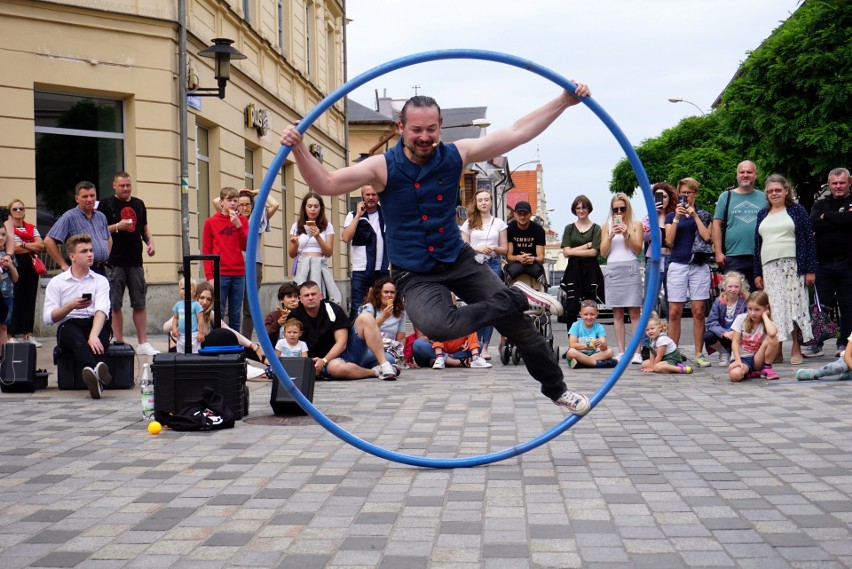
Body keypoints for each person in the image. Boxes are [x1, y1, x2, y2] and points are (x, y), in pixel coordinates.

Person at [280, 85, 592, 414]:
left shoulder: (457, 154)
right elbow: (326, 183)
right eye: (416, 130)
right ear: (401, 128)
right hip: (414, 273)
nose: (424, 137)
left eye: (431, 129)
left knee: (518, 326)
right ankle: (516, 296)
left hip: (457, 259)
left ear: (440, 126)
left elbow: (515, 133)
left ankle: (557, 390)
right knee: (438, 326)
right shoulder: (382, 167)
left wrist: (563, 101)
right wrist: (299, 149)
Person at [754, 174, 817, 366]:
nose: (774, 193)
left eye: (778, 190)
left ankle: (796, 347)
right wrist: (757, 272)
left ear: (786, 191)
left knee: (794, 306)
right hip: (769, 266)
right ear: (766, 194)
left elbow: (808, 240)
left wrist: (810, 270)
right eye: (770, 191)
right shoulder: (762, 214)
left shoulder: (797, 211)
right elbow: (757, 244)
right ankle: (777, 347)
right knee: (774, 307)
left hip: (793, 265)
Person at [43, 234, 113, 399]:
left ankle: (94, 378)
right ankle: (100, 375)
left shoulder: (101, 280)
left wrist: (94, 335)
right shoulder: (57, 282)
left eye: (91, 250)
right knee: (78, 340)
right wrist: (70, 306)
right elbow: (48, 318)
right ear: (72, 256)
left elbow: (102, 310)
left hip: (95, 322)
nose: (90, 254)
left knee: (97, 343)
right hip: (70, 324)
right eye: (84, 251)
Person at [96, 172, 158, 356]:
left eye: (128, 185)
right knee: (115, 304)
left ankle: (143, 342)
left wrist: (151, 243)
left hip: (135, 261)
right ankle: (119, 342)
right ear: (114, 185)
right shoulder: (106, 204)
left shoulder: (138, 204)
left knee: (139, 303)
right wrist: (117, 227)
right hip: (113, 262)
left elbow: (144, 228)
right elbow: (98, 229)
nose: (125, 189)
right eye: (122, 185)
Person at [288, 281, 398, 381]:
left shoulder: (333, 309)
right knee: (336, 368)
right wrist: (310, 362)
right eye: (306, 295)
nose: (310, 298)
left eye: (314, 294)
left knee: (366, 317)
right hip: (325, 364)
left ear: (321, 296)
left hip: (345, 353)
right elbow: (291, 344)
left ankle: (385, 366)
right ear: (300, 299)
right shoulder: (294, 316)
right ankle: (375, 372)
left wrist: (324, 361)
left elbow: (342, 343)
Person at [214, 187, 280, 339]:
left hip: (253, 264)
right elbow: (216, 201)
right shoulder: (232, 217)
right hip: (233, 265)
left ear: (252, 205)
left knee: (249, 307)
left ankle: (244, 339)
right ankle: (227, 337)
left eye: (247, 204)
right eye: (241, 204)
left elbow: (275, 205)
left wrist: (256, 191)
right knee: (230, 307)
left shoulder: (259, 217)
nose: (244, 207)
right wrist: (235, 193)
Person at [665, 177, 713, 367]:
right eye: (683, 193)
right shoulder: (670, 216)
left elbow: (707, 236)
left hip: (698, 265)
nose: (686, 197)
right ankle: (673, 353)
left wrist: (694, 216)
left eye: (689, 193)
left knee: (699, 311)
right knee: (674, 311)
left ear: (696, 194)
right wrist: (677, 217)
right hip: (678, 264)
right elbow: (669, 241)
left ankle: (699, 353)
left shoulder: (704, 214)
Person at [807, 167, 852, 358]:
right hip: (823, 263)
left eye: (842, 182)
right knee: (820, 306)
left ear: (849, 182)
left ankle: (844, 344)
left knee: (848, 305)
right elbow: (813, 222)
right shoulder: (821, 203)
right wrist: (841, 220)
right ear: (829, 184)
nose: (838, 186)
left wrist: (828, 217)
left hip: (848, 263)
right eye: (834, 183)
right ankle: (817, 343)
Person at [461, 188, 508, 358]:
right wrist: (477, 248)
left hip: (493, 263)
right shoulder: (469, 223)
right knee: (474, 305)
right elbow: (462, 247)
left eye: (486, 200)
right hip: (473, 265)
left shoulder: (499, 223)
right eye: (480, 200)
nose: (483, 203)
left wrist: (493, 248)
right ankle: (475, 344)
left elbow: (505, 249)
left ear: (491, 202)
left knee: (490, 306)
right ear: (476, 202)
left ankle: (486, 346)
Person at [600, 192, 644, 364]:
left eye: (622, 209)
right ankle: (621, 351)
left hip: (630, 268)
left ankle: (637, 351)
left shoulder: (635, 224)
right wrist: (611, 236)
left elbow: (638, 249)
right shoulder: (606, 226)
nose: (619, 213)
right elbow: (603, 253)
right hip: (613, 269)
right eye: (615, 209)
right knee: (617, 313)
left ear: (628, 208)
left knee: (634, 312)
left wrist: (626, 234)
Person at [712, 161, 765, 291]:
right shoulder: (726, 197)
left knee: (759, 299)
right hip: (732, 257)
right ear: (737, 175)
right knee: (732, 298)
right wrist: (718, 252)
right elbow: (716, 224)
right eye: (742, 172)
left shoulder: (765, 197)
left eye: (749, 172)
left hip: (760, 257)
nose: (745, 175)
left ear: (756, 175)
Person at [202, 186, 248, 330]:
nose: (233, 204)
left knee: (235, 313)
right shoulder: (211, 222)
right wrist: (210, 276)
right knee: (217, 312)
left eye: (235, 201)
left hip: (238, 272)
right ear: (221, 202)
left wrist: (239, 226)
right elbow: (206, 251)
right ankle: (216, 341)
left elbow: (246, 246)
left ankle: (235, 343)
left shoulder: (242, 221)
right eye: (229, 200)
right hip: (220, 273)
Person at [45, 181, 112, 276]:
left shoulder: (101, 217)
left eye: (92, 195)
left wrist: (104, 255)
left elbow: (108, 238)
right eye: (85, 196)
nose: (89, 199)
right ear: (77, 198)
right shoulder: (70, 216)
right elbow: (48, 241)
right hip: (81, 270)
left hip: (102, 269)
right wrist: (63, 265)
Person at [342, 184, 388, 318]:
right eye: (368, 195)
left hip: (382, 268)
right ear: (362, 197)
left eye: (374, 194)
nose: (371, 198)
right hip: (360, 268)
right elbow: (345, 237)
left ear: (378, 196)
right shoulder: (352, 216)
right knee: (357, 306)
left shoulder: (385, 214)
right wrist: (358, 216)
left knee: (384, 305)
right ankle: (355, 337)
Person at [560, 195, 605, 331]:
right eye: (578, 208)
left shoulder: (596, 228)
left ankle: (590, 341)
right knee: (572, 308)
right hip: (573, 270)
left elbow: (593, 253)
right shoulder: (570, 228)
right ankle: (572, 344)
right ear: (574, 210)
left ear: (588, 208)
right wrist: (586, 246)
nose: (581, 210)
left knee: (590, 308)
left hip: (590, 271)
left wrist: (573, 250)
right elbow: (565, 252)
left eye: (584, 207)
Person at [289, 192, 341, 304]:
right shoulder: (296, 226)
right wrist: (295, 244)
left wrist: (317, 236)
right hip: (302, 267)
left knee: (321, 301)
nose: (312, 209)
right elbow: (292, 254)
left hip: (320, 267)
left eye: (316, 207)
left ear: (320, 208)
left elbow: (328, 252)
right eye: (309, 206)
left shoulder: (327, 226)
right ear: (304, 208)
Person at [8, 199, 44, 347]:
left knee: (29, 299)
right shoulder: (7, 228)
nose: (18, 211)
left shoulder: (31, 227)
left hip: (31, 266)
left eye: (21, 208)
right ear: (10, 212)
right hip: (15, 265)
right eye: (15, 209)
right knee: (15, 298)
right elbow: (12, 248)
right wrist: (31, 246)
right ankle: (11, 334)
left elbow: (41, 245)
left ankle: (28, 335)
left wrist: (22, 244)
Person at [728, 290, 779, 381]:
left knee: (773, 338)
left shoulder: (766, 322)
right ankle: (750, 372)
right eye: (750, 309)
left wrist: (765, 316)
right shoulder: (741, 319)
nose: (752, 313)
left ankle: (767, 368)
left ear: (765, 308)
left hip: (757, 359)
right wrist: (737, 360)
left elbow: (772, 333)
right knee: (735, 376)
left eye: (757, 309)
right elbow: (735, 342)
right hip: (743, 359)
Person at [703, 271, 749, 367]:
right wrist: (724, 333)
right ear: (724, 287)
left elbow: (748, 321)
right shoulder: (719, 301)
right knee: (708, 336)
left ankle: (736, 352)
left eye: (736, 287)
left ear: (740, 287)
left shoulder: (745, 301)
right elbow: (711, 322)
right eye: (730, 286)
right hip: (723, 334)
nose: (733, 289)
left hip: (738, 334)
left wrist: (735, 332)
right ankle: (723, 352)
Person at [642, 183, 677, 309]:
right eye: (658, 196)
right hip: (655, 258)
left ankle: (670, 328)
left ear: (670, 198)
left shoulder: (675, 216)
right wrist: (654, 216)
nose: (662, 200)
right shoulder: (648, 217)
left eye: (665, 196)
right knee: (650, 298)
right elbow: (644, 236)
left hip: (673, 259)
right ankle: (650, 328)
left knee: (672, 300)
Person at [564, 300, 616, 369]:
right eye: (585, 314)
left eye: (592, 314)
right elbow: (573, 345)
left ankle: (581, 363)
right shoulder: (575, 325)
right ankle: (597, 364)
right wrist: (590, 345)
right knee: (571, 352)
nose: (589, 317)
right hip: (578, 354)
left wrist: (602, 344)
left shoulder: (599, 327)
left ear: (597, 314)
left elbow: (604, 347)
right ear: (580, 314)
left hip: (593, 354)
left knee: (610, 352)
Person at [505, 201, 547, 286]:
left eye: (525, 214)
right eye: (519, 214)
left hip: (533, 263)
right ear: (515, 214)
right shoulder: (509, 229)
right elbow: (508, 257)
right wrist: (518, 258)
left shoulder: (538, 230)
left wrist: (532, 259)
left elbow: (541, 258)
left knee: (539, 271)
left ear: (531, 214)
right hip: (515, 263)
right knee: (509, 272)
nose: (522, 217)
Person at [170, 277, 205, 354]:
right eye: (183, 288)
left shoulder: (196, 305)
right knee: (180, 352)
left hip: (194, 335)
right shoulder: (178, 305)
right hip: (181, 335)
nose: (186, 291)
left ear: (194, 292)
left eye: (189, 288)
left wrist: (201, 333)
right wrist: (174, 328)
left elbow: (200, 319)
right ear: (179, 291)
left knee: (195, 353)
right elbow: (175, 318)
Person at [0, 224, 19, 345]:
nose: (1, 238)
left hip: (7, 295)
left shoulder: (9, 254)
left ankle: (2, 357)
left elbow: (16, 278)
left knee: (3, 327)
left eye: (3, 235)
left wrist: (10, 266)